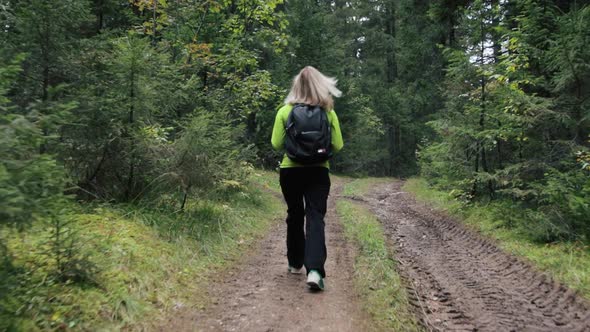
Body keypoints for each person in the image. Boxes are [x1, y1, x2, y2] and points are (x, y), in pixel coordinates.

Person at [271, 66, 344, 291]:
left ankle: (294, 263)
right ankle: (314, 271)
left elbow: (276, 143)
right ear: (320, 86)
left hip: (290, 170)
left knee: (294, 214)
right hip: (318, 171)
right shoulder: (328, 113)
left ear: (296, 86)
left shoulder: (285, 111)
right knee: (315, 217)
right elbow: (338, 145)